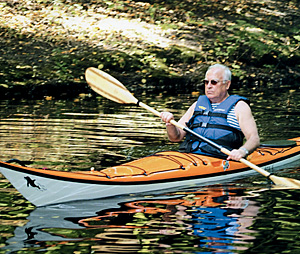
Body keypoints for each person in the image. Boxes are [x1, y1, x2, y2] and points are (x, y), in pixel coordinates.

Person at [160, 64, 260, 161]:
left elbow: (254, 139)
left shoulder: (239, 107)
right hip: (190, 158)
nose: (209, 86)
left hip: (219, 159)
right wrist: (170, 123)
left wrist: (242, 151)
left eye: (214, 82)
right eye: (206, 82)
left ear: (227, 84)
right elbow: (175, 138)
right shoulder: (196, 105)